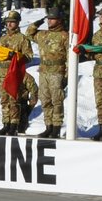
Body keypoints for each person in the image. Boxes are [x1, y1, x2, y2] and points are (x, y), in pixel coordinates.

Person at [24, 9, 71, 138]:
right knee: (45, 100)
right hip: (44, 72)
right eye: (48, 19)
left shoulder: (64, 36)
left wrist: (67, 75)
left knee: (57, 100)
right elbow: (28, 33)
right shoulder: (43, 34)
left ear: (59, 20)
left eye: (53, 19)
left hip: (57, 72)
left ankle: (56, 127)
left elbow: (69, 56)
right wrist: (38, 22)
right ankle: (48, 126)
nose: (50, 21)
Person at [0, 10, 34, 135]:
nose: (9, 25)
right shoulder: (2, 39)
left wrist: (15, 55)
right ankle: (6, 123)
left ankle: (14, 125)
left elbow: (28, 56)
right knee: (4, 100)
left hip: (14, 72)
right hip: (2, 72)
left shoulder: (22, 39)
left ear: (18, 23)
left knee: (14, 99)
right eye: (8, 22)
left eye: (12, 22)